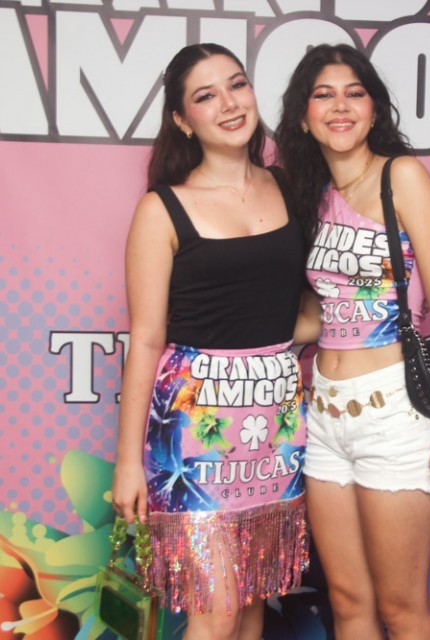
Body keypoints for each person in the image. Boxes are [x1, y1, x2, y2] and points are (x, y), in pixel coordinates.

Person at [111, 43, 311, 640]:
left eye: (237, 84)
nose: (229, 104)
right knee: (216, 609)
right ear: (182, 119)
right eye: (205, 96)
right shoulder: (161, 209)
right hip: (194, 432)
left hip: (276, 426)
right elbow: (146, 339)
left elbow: (297, 307)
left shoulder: (289, 188)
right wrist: (128, 463)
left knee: (250, 603)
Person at [275, 44, 430, 640]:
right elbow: (322, 314)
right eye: (323, 95)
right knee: (347, 600)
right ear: (303, 116)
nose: (340, 106)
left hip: (397, 413)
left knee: (401, 607)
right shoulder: (308, 196)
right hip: (325, 415)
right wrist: (222, 332)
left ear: (374, 108)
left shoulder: (400, 176)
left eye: (354, 93)